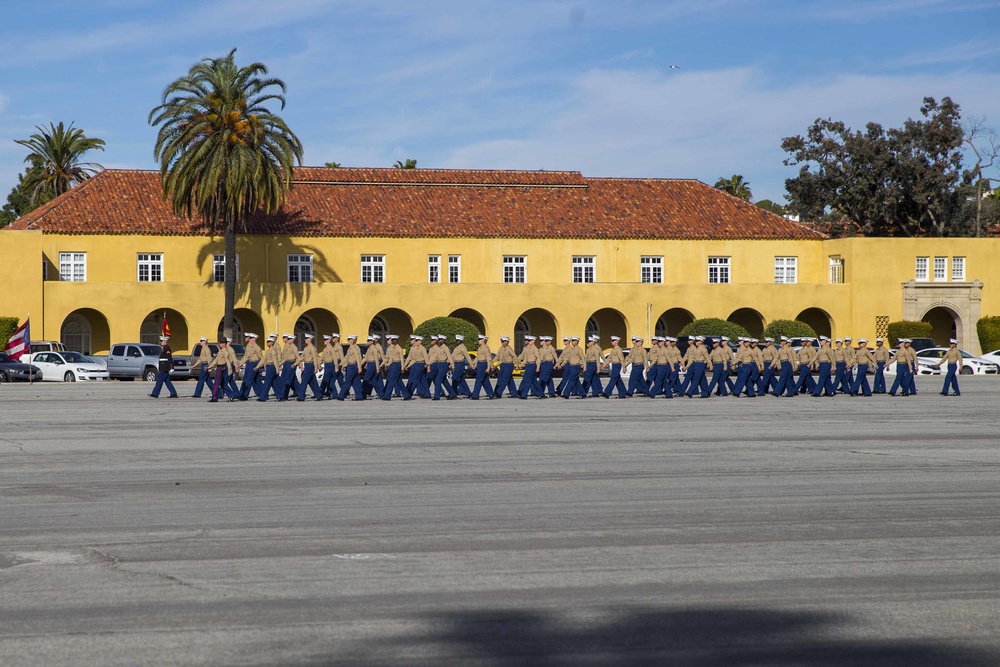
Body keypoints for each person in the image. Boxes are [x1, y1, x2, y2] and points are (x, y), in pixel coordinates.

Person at [207, 337, 237, 402]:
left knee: (217, 383)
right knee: (222, 383)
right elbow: (216, 360)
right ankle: (231, 395)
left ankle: (215, 397)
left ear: (223, 344)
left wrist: (230, 369)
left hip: (221, 368)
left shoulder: (225, 352)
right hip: (220, 367)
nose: (220, 344)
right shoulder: (220, 351)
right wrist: (209, 367)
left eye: (221, 343)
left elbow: (228, 361)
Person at [381, 334, 410, 400]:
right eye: (392, 340)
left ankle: (387, 396)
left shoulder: (399, 348)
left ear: (396, 341)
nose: (392, 341)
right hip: (392, 365)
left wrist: (402, 367)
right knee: (399, 381)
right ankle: (406, 395)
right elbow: (390, 358)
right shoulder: (392, 348)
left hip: (397, 364)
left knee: (391, 380)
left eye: (393, 340)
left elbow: (402, 359)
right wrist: (387, 364)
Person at [338, 335, 365, 400]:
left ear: (353, 340)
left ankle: (341, 395)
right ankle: (359, 396)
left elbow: (358, 358)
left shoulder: (355, 349)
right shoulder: (350, 348)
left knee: (347, 381)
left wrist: (359, 367)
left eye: (349, 339)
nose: (348, 341)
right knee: (355, 382)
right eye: (348, 339)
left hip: (353, 366)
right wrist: (341, 364)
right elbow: (346, 358)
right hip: (350, 365)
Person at [297, 333, 323, 401]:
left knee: (304, 381)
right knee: (312, 382)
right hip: (307, 365)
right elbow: (302, 357)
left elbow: (315, 358)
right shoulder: (306, 348)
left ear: (310, 339)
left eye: (306, 338)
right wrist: (295, 363)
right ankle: (319, 395)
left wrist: (316, 367)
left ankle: (301, 397)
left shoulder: (312, 348)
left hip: (310, 365)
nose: (305, 340)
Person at [237, 333, 262, 400]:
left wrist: (262, 365)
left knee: (248, 379)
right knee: (256, 380)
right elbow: (246, 356)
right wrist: (240, 364)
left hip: (254, 363)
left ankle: (244, 395)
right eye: (249, 338)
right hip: (249, 363)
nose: (249, 339)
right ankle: (262, 393)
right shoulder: (249, 346)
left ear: (254, 339)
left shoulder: (256, 347)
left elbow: (261, 358)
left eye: (251, 338)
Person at [256, 335, 281, 401]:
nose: (267, 343)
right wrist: (257, 366)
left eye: (269, 342)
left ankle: (263, 397)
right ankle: (280, 396)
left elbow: (275, 360)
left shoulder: (272, 351)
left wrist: (277, 369)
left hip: (271, 367)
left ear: (272, 343)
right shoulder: (268, 351)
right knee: (274, 383)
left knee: (267, 382)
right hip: (269, 366)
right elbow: (263, 359)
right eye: (267, 342)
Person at [362, 335, 386, 399]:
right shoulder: (369, 348)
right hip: (370, 363)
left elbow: (376, 359)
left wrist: (378, 367)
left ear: (372, 342)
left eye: (368, 341)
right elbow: (366, 358)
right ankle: (381, 394)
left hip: (373, 364)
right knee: (374, 381)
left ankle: (363, 394)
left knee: (366, 379)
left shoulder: (374, 349)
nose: (367, 342)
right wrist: (361, 364)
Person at [471, 334, 494, 399]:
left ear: (483, 340)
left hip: (483, 364)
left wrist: (488, 367)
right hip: (480, 364)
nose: (479, 341)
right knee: (485, 380)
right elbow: (478, 357)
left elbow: (488, 358)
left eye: (480, 339)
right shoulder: (480, 348)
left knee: (478, 380)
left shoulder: (486, 348)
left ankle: (475, 395)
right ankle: (491, 394)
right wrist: (474, 364)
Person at [277, 333, 299, 401]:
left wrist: (296, 364)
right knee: (285, 379)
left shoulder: (294, 347)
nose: (287, 340)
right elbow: (285, 358)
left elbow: (298, 357)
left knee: (287, 380)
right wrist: (280, 364)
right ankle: (299, 392)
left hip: (291, 363)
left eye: (289, 339)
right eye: (287, 339)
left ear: (292, 340)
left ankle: (284, 396)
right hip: (286, 363)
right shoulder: (287, 347)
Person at [318, 334, 340, 399]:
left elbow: (335, 358)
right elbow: (322, 357)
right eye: (324, 340)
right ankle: (335, 395)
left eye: (325, 340)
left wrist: (336, 366)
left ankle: (320, 393)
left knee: (325, 380)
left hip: (330, 365)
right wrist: (318, 365)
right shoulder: (325, 349)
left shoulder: (331, 348)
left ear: (329, 340)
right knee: (330, 382)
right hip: (326, 365)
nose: (324, 341)